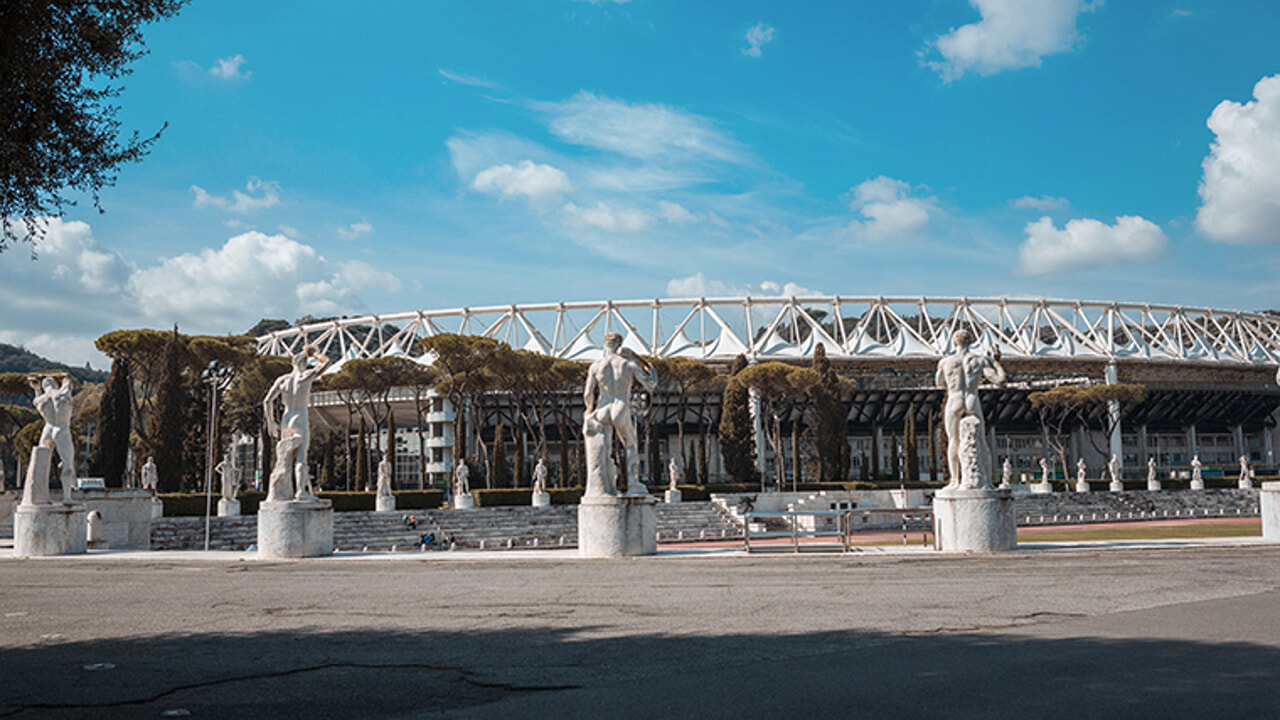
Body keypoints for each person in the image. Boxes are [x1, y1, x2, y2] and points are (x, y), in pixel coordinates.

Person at [582, 333, 658, 496]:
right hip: (620, 406)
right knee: (630, 444)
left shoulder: (596, 366)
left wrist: (589, 411)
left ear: (605, 345)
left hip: (602, 408)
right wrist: (639, 358)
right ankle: (632, 483)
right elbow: (651, 384)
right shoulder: (629, 364)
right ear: (620, 345)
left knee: (605, 448)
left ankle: (606, 485)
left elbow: (588, 394)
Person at [935, 330, 1005, 488]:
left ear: (954, 342)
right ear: (971, 342)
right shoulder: (979, 360)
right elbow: (1000, 380)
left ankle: (954, 481)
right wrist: (996, 362)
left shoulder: (945, 362)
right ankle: (987, 481)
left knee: (954, 441)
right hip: (972, 399)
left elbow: (939, 383)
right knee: (982, 441)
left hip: (954, 400)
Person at [262, 346, 331, 502]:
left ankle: (281, 493)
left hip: (286, 419)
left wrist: (271, 421)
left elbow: (267, 401)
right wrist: (315, 353)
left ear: (292, 363)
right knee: (301, 457)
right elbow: (327, 362)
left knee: (284, 459)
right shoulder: (306, 376)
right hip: (299, 417)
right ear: (305, 363)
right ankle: (300, 491)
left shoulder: (282, 380)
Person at [29, 373, 76, 503]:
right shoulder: (63, 393)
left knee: (42, 463)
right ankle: (67, 498)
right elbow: (67, 377)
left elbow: (37, 399)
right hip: (62, 429)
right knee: (67, 463)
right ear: (56, 384)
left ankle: (41, 497)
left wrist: (37, 389)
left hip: (47, 430)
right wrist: (52, 375)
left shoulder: (40, 399)